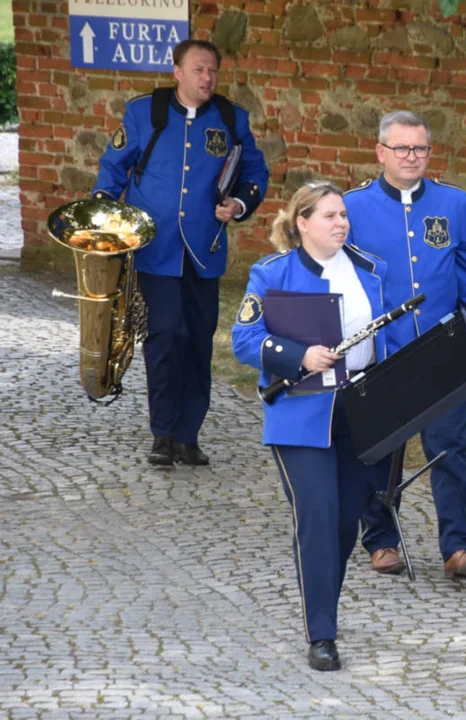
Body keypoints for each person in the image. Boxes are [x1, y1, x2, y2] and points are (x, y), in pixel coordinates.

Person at [232, 181, 394, 671]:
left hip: (361, 411)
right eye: (329, 216)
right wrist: (296, 354)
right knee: (319, 519)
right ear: (302, 222)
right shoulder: (273, 274)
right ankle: (322, 632)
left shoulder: (370, 269)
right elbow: (244, 339)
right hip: (301, 416)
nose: (341, 223)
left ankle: (324, 601)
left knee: (346, 523)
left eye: (343, 215)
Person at [93, 39, 269, 467]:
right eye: (197, 70)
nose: (206, 78)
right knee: (166, 334)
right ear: (177, 72)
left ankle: (189, 436)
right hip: (155, 249)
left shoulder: (231, 118)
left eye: (212, 71)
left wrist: (240, 204)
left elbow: (255, 172)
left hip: (204, 251)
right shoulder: (143, 113)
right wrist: (104, 224)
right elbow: (113, 169)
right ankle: (163, 432)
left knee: (198, 342)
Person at [343, 110, 466, 578]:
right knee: (381, 449)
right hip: (382, 350)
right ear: (380, 152)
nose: (412, 157)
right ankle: (381, 539)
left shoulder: (453, 203)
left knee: (449, 445)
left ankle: (459, 546)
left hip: (443, 346)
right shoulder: (353, 206)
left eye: (421, 148)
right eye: (402, 148)